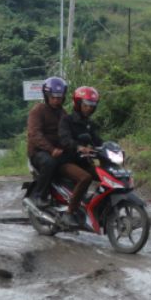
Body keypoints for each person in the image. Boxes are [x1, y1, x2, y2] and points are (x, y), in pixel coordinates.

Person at [55, 86, 104, 228]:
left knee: (105, 176)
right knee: (85, 178)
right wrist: (78, 147)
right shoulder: (67, 120)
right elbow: (64, 139)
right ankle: (70, 213)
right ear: (78, 104)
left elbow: (98, 141)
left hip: (82, 161)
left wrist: (112, 148)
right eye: (86, 105)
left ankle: (96, 207)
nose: (89, 108)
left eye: (92, 106)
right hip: (66, 161)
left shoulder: (90, 124)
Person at [26, 76, 68, 204]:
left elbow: (69, 132)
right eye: (53, 97)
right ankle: (39, 195)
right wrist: (51, 149)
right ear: (47, 96)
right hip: (39, 152)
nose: (56, 100)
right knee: (49, 162)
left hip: (58, 150)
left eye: (59, 98)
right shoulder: (38, 110)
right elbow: (35, 134)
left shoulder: (63, 113)